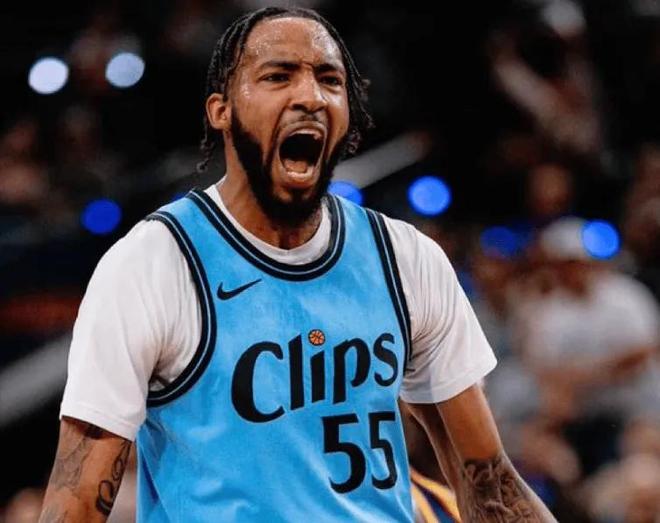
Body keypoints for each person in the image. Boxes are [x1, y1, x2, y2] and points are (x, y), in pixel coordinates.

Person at [40, 7, 556, 522]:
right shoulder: (152, 264)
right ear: (221, 111)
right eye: (278, 76)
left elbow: (490, 484)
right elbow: (76, 504)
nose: (311, 97)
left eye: (329, 80)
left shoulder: (405, 257)